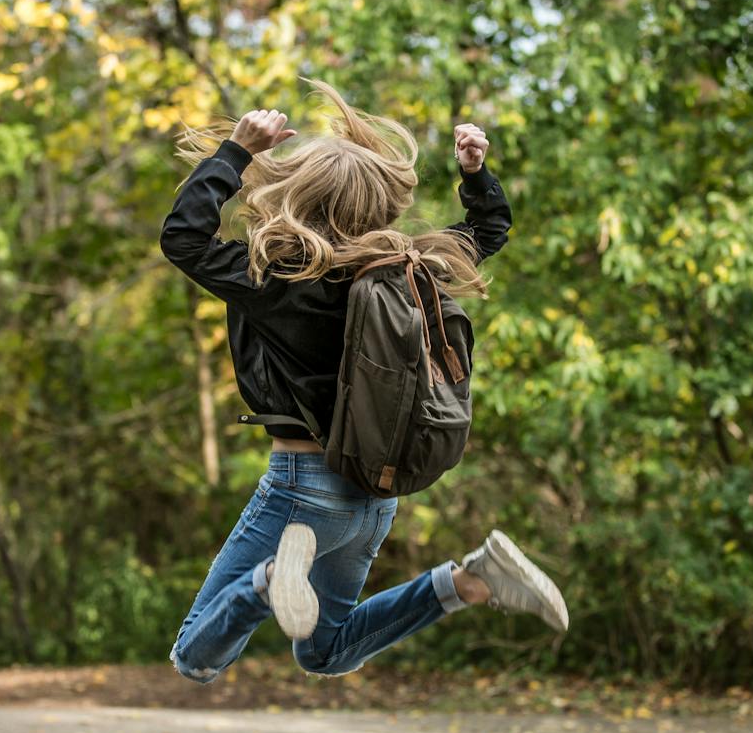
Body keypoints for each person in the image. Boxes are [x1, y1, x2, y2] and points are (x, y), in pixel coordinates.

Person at [160, 81, 568, 684]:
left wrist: (236, 151)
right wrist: (475, 175)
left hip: (301, 490)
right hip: (373, 496)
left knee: (194, 656)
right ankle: (470, 580)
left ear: (297, 193)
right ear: (378, 202)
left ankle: (272, 580)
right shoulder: (411, 269)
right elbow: (487, 233)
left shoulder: (273, 276)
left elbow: (184, 239)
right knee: (325, 652)